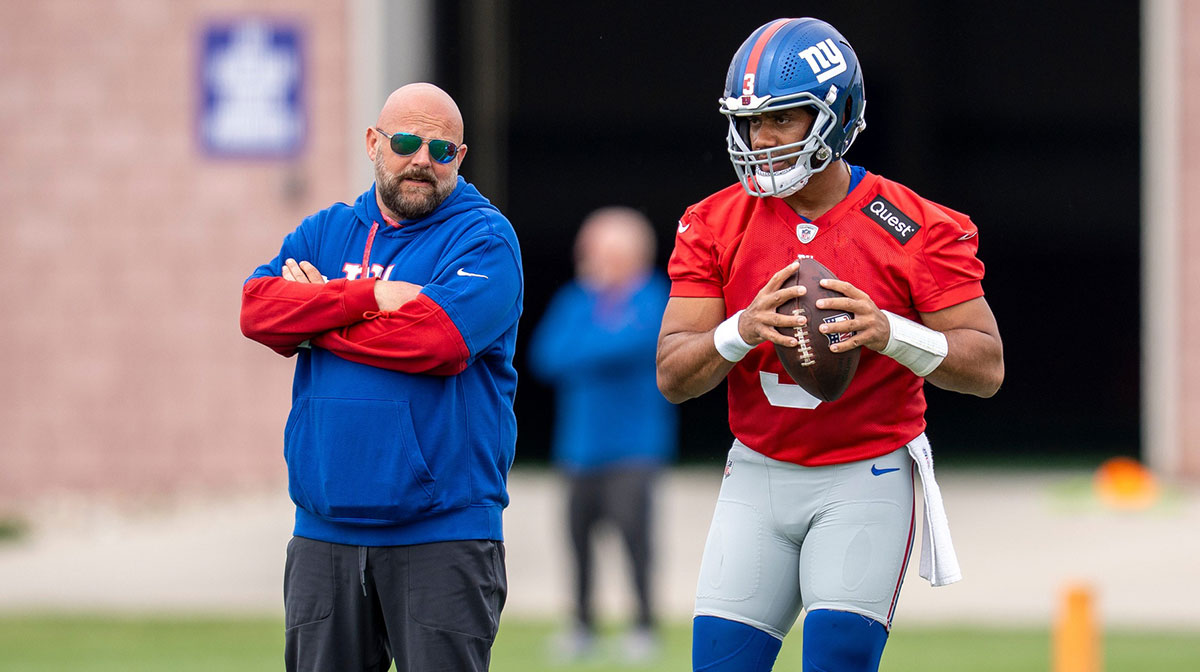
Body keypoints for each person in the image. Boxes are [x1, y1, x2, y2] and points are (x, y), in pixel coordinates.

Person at [656, 18, 1004, 672]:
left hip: (866, 475)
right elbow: (673, 375)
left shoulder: (913, 225)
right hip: (756, 472)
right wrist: (741, 329)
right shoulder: (713, 223)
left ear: (837, 116)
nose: (762, 139)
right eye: (750, 122)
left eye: (782, 118)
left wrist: (891, 332)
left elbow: (986, 366)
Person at [239, 82, 522, 672]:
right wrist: (367, 297)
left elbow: (436, 341)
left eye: (440, 150)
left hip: (442, 533)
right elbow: (257, 312)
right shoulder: (325, 230)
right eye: (406, 143)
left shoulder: (485, 239)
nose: (422, 160)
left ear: (459, 158)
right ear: (373, 143)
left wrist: (316, 320)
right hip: (324, 533)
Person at [528, 207, 677, 662]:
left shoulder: (655, 296)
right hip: (578, 448)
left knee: (636, 540)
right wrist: (602, 341)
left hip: (634, 448)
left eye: (596, 249)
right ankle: (581, 625)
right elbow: (546, 356)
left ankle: (643, 625)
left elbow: (639, 342)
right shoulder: (576, 299)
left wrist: (587, 346)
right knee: (577, 542)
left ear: (629, 254)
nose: (586, 257)